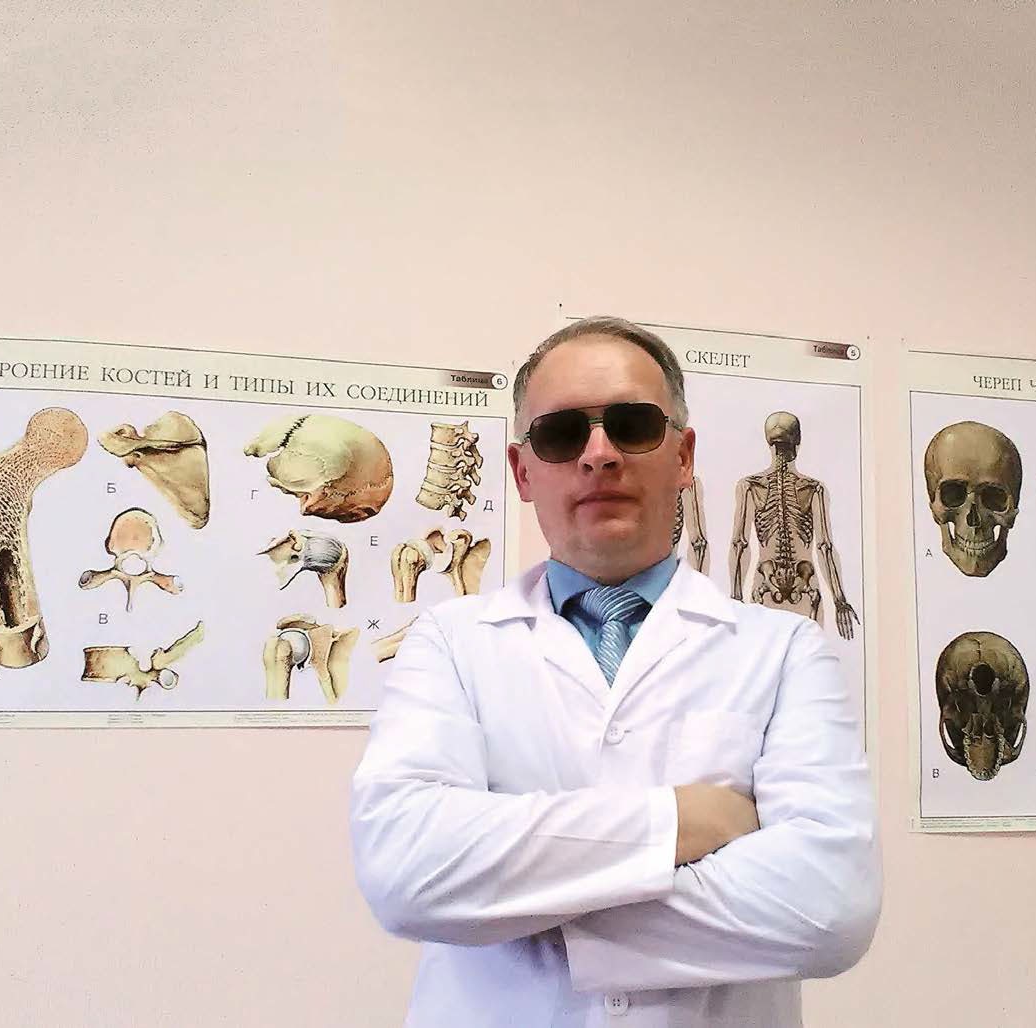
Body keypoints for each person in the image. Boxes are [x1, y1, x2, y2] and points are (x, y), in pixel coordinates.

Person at [350, 316, 881, 1027]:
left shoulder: (785, 650)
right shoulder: (449, 642)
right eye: (561, 434)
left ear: (683, 456)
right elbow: (407, 872)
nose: (599, 455)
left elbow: (831, 909)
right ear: (523, 471)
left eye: (633, 426)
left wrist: (522, 907)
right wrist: (686, 820)